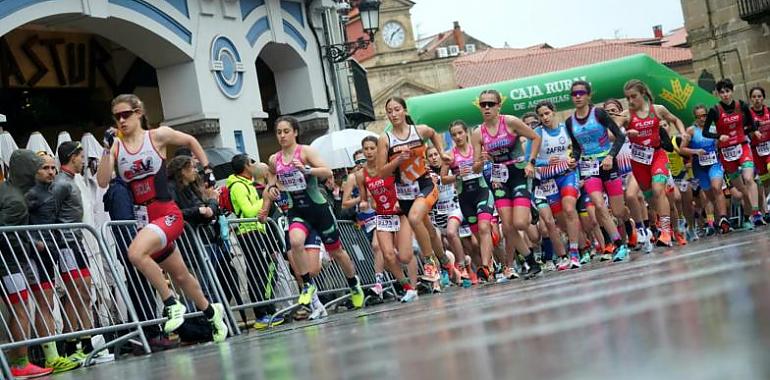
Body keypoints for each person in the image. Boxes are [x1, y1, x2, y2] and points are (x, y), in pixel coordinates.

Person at [96, 94, 228, 343]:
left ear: (138, 112)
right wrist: (105, 148)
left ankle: (171, 303)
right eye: (117, 117)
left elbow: (190, 140)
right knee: (181, 276)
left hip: (167, 213)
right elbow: (102, 181)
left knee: (135, 254)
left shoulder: (157, 136)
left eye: (126, 114)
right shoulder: (116, 146)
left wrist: (208, 169)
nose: (121, 120)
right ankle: (212, 313)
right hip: (144, 220)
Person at [260, 116, 365, 309]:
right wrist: (273, 187)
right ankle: (307, 285)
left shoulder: (306, 152)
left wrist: (307, 170)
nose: (282, 136)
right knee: (296, 241)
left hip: (318, 209)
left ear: (295, 132)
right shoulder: (274, 159)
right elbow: (273, 177)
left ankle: (353, 284)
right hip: (297, 210)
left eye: (286, 131)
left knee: (337, 252)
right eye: (279, 132)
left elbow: (327, 172)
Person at [376, 97, 459, 286]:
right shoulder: (385, 139)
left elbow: (433, 133)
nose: (394, 114)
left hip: (425, 185)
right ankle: (446, 263)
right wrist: (397, 161)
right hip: (404, 193)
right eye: (389, 111)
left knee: (414, 219)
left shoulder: (418, 130)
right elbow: (382, 173)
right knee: (429, 230)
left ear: (404, 111)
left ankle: (430, 263)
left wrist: (442, 151)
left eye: (397, 109)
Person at [472, 89, 543, 279]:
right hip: (499, 178)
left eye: (490, 104)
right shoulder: (478, 133)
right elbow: (476, 168)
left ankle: (531, 207)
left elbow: (535, 138)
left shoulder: (510, 122)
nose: (486, 108)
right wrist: (481, 159)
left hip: (518, 172)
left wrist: (531, 162)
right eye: (483, 104)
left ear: (498, 106)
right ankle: (530, 261)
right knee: (508, 227)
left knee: (520, 223)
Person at [24, 152, 80, 373]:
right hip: (38, 254)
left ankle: (56, 354)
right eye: (45, 168)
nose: (50, 172)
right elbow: (18, 218)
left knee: (51, 302)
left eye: (52, 168)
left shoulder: (52, 191)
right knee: (44, 303)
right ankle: (51, 357)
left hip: (52, 250)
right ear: (34, 171)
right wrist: (33, 241)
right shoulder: (31, 194)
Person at [2, 150, 55, 378]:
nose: (39, 174)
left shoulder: (6, 190)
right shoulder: (17, 202)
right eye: (36, 170)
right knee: (21, 309)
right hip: (9, 265)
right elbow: (6, 236)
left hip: (8, 263)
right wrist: (31, 245)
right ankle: (20, 363)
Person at [564, 80, 630, 262]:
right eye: (574, 94)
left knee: (617, 211)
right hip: (589, 167)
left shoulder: (599, 114)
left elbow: (620, 136)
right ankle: (619, 245)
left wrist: (610, 156)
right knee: (599, 205)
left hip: (608, 164)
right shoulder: (570, 122)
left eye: (581, 93)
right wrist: (573, 159)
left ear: (588, 95)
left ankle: (629, 224)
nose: (577, 96)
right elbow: (577, 147)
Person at [618, 79, 688, 247]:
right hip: (639, 162)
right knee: (658, 202)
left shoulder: (657, 110)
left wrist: (683, 133)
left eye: (633, 96)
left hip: (657, 156)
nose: (630, 101)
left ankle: (665, 233)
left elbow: (675, 119)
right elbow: (611, 133)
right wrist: (627, 133)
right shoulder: (626, 115)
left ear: (643, 94)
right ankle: (674, 230)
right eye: (627, 98)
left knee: (659, 191)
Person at [356, 135, 419, 302]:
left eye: (372, 148)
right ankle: (407, 288)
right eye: (366, 149)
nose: (369, 152)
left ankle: (416, 283)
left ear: (378, 149)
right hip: (383, 215)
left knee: (405, 255)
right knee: (388, 255)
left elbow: (404, 183)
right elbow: (364, 197)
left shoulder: (388, 166)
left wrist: (400, 199)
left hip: (400, 212)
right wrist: (363, 202)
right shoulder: (361, 175)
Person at [225, 153, 284, 329]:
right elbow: (249, 212)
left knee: (263, 271)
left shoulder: (248, 184)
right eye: (251, 162)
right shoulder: (237, 186)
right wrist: (265, 199)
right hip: (247, 233)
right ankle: (262, 314)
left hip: (258, 231)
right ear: (245, 167)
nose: (254, 164)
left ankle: (267, 309)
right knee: (257, 273)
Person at [702, 79, 763, 229]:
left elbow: (751, 123)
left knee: (749, 178)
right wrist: (718, 136)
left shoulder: (741, 105)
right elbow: (705, 131)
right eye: (722, 92)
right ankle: (749, 215)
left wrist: (754, 130)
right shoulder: (714, 110)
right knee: (741, 190)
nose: (725, 95)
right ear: (718, 94)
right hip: (727, 153)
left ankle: (756, 213)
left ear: (732, 90)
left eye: (727, 91)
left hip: (742, 147)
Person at [443, 121, 498, 282]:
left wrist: (486, 160)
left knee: (483, 228)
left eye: (460, 133)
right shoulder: (450, 154)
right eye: (454, 134)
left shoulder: (476, 149)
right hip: (465, 198)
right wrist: (457, 175)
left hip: (482, 193)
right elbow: (443, 178)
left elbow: (493, 162)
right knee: (478, 239)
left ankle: (486, 266)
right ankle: (492, 265)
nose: (458, 137)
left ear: (466, 132)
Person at [533, 101, 582, 270]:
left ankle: (574, 252)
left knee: (569, 209)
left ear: (553, 112)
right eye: (541, 115)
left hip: (567, 174)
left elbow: (578, 149)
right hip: (548, 181)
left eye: (547, 113)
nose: (544, 117)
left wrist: (576, 160)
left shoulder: (565, 129)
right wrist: (545, 161)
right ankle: (565, 254)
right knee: (559, 221)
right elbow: (528, 160)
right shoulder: (537, 133)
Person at [681, 105, 731, 234]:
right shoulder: (691, 131)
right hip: (699, 167)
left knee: (716, 188)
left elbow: (722, 144)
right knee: (710, 196)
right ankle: (719, 219)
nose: (702, 119)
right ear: (695, 118)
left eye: (704, 116)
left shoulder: (714, 129)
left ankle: (724, 219)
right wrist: (695, 151)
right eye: (698, 117)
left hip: (714, 163)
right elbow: (682, 149)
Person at [748, 86, 770, 222]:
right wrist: (753, 129)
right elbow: (746, 133)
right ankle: (767, 210)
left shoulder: (769, 111)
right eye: (754, 97)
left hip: (769, 147)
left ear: (763, 98)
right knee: (766, 183)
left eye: (759, 96)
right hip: (756, 151)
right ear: (751, 99)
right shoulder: (748, 115)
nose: (757, 99)